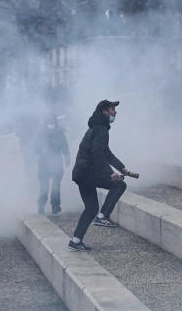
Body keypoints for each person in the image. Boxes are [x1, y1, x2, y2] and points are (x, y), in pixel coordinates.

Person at [68, 99, 138, 251]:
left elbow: (106, 152)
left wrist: (122, 168)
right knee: (119, 184)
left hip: (81, 173)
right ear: (104, 111)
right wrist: (111, 172)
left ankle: (76, 240)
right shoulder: (101, 128)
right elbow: (98, 154)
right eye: (112, 109)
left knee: (91, 208)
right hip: (87, 173)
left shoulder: (96, 127)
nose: (115, 112)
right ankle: (103, 216)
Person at [38, 116, 69, 215]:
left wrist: (67, 157)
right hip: (44, 163)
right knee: (44, 186)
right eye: (49, 121)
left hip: (57, 162)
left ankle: (55, 206)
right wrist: (41, 149)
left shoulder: (60, 133)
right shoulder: (41, 134)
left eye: (52, 122)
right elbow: (35, 147)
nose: (51, 124)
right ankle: (41, 206)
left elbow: (65, 146)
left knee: (56, 186)